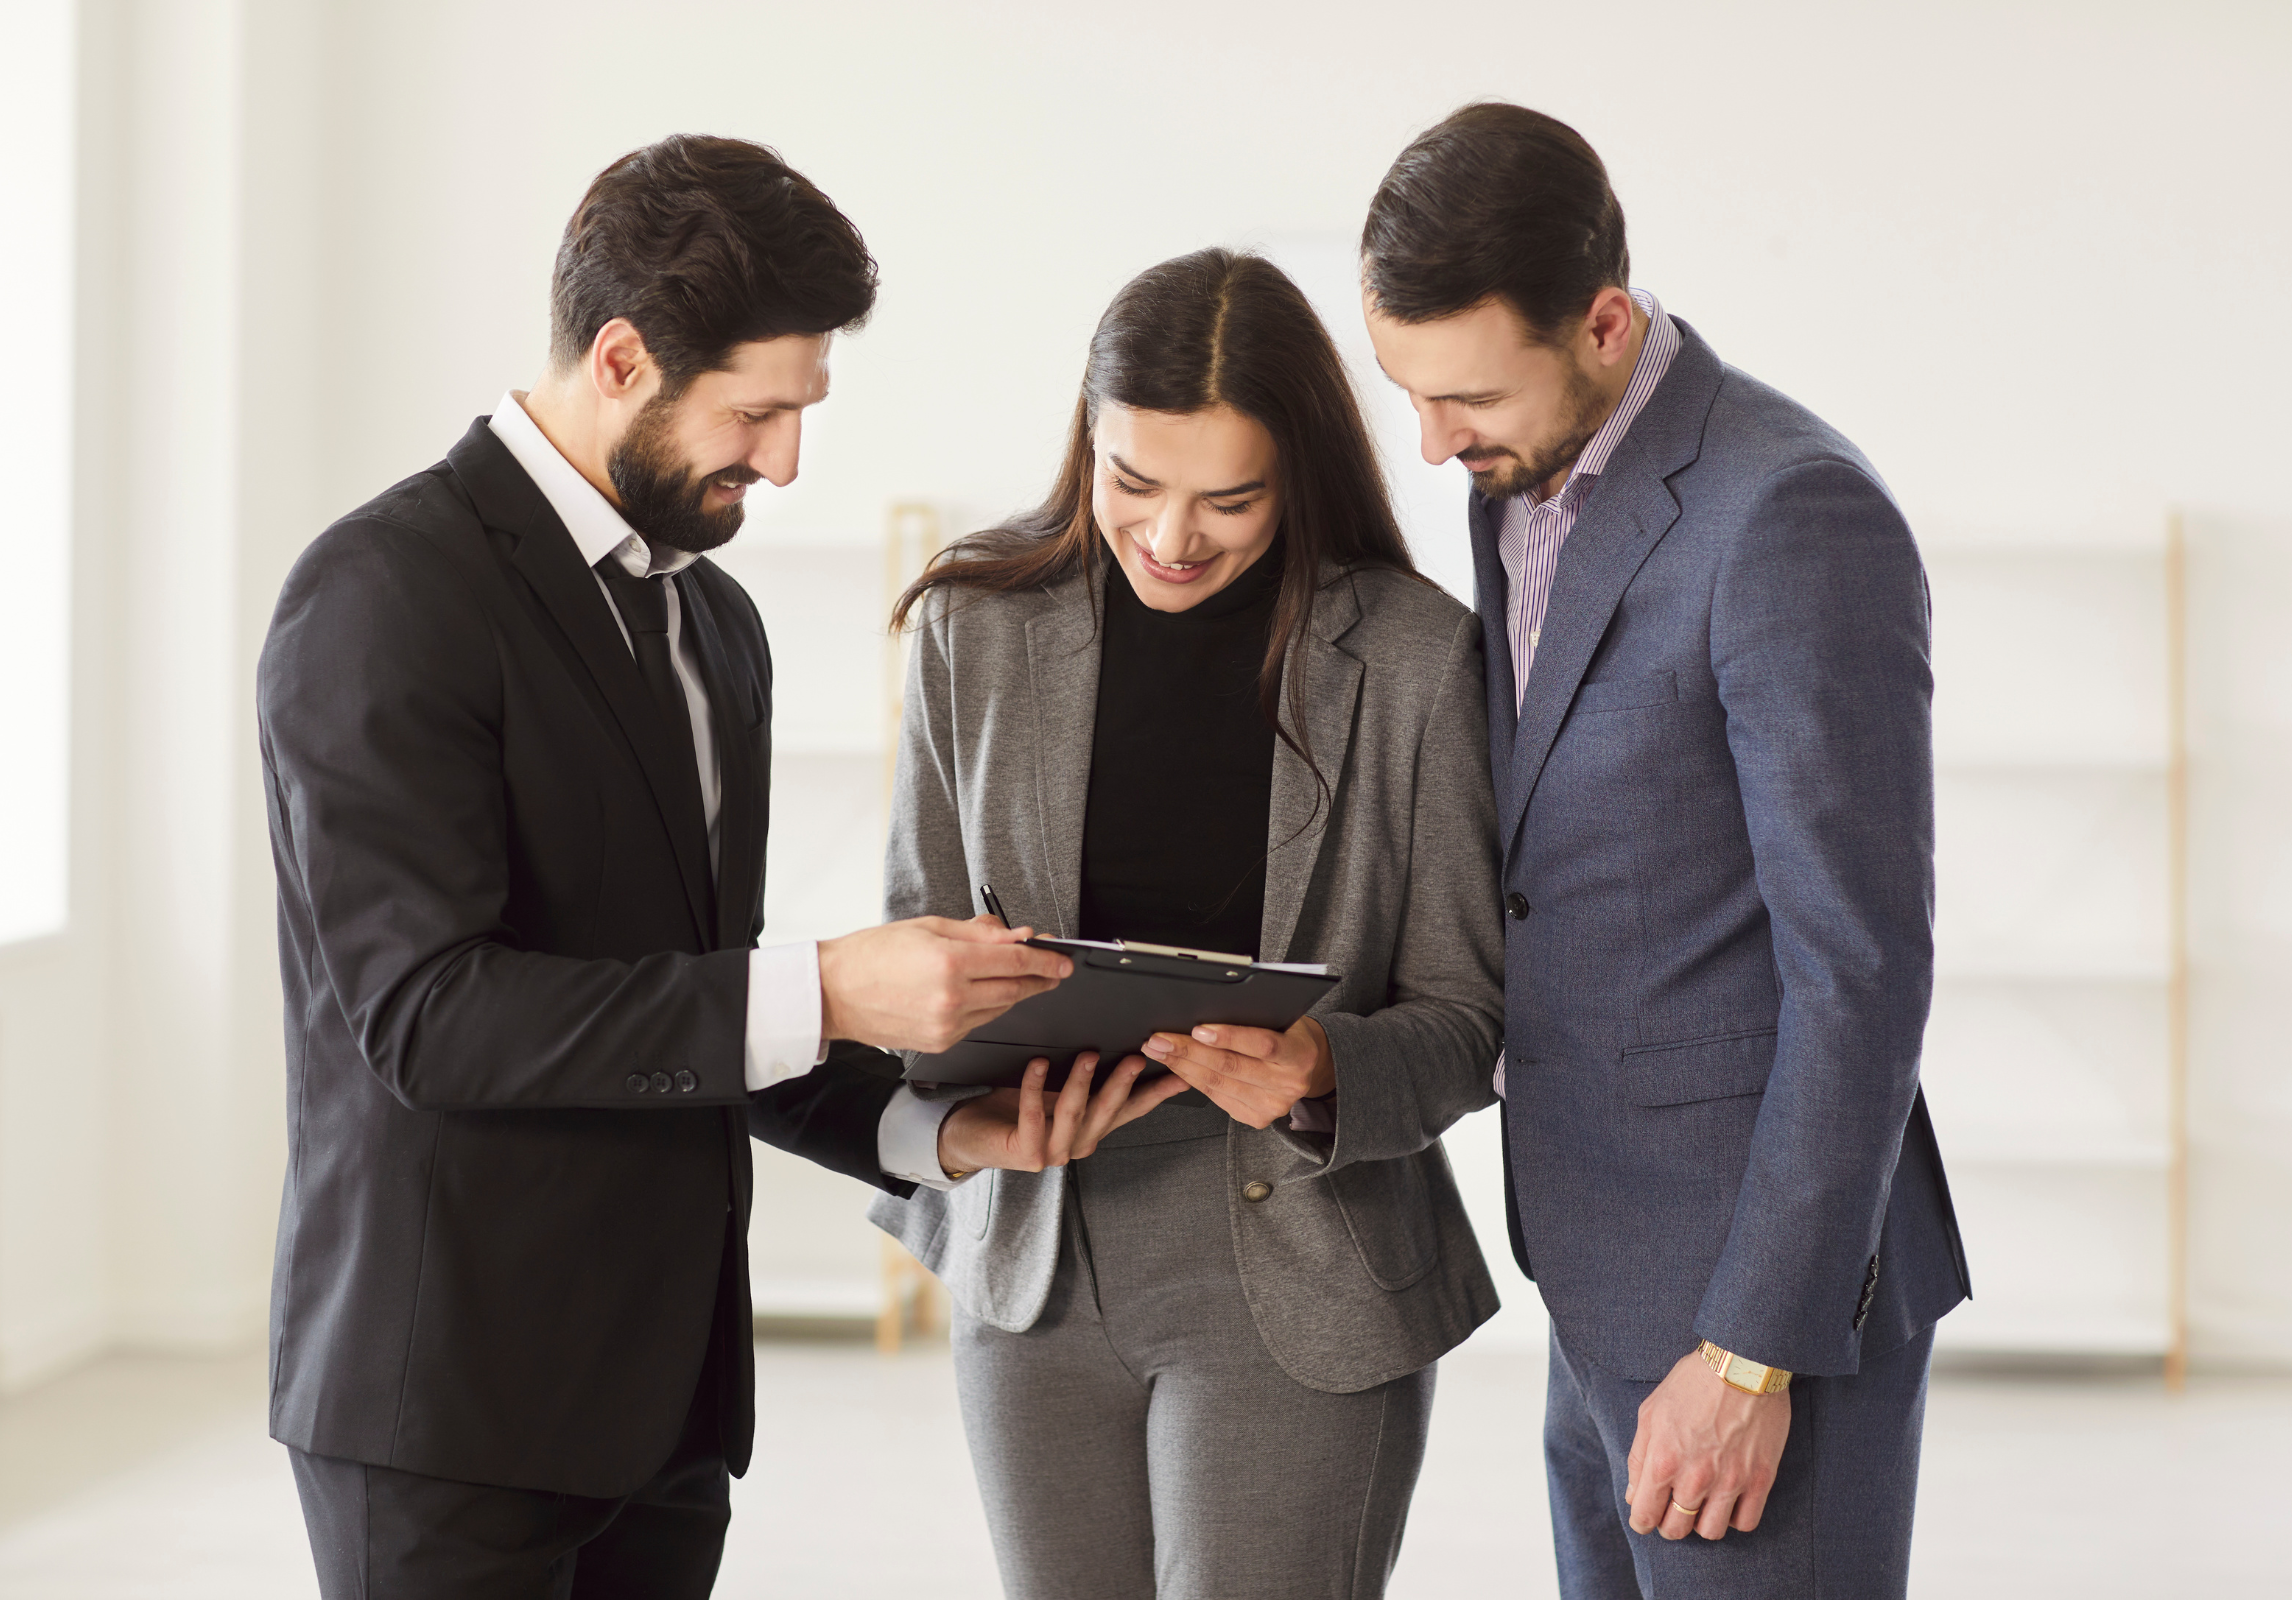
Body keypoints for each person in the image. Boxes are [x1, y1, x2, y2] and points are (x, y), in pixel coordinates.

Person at [256, 134, 1158, 1600]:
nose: (786, 461)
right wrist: (828, 982)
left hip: (666, 1412)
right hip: (445, 1411)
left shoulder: (714, 627)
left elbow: (686, 1000)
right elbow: (432, 1018)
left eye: (802, 412)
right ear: (621, 359)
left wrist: (939, 1136)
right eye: (756, 412)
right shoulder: (382, 594)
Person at [1359, 103, 1971, 1599]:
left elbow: (1861, 968)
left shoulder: (1790, 513)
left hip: (1758, 1312)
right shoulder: (1517, 486)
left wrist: (1749, 1353)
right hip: (1601, 1278)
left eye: (1465, 396)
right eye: (1412, 396)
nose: (1435, 440)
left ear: (1606, 322)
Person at [868, 248, 1508, 1600]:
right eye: (1132, 483)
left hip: (1299, 1264)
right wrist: (947, 1129)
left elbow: (1469, 1014)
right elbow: (903, 971)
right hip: (1033, 1257)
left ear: (1304, 475)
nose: (1171, 537)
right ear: (1084, 446)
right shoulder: (970, 630)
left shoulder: (1413, 660)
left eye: (1231, 499)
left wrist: (1326, 1070)